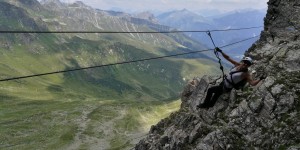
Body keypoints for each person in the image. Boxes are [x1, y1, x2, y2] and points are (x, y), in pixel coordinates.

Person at [197, 47, 266, 109]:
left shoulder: (246, 74)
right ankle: (210, 104)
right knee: (216, 95)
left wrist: (260, 79)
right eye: (245, 62)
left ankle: (205, 104)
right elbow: (228, 58)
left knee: (210, 90)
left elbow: (252, 83)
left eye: (247, 64)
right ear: (243, 61)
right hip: (223, 83)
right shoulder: (238, 65)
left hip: (226, 87)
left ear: (249, 66)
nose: (245, 64)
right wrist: (220, 51)